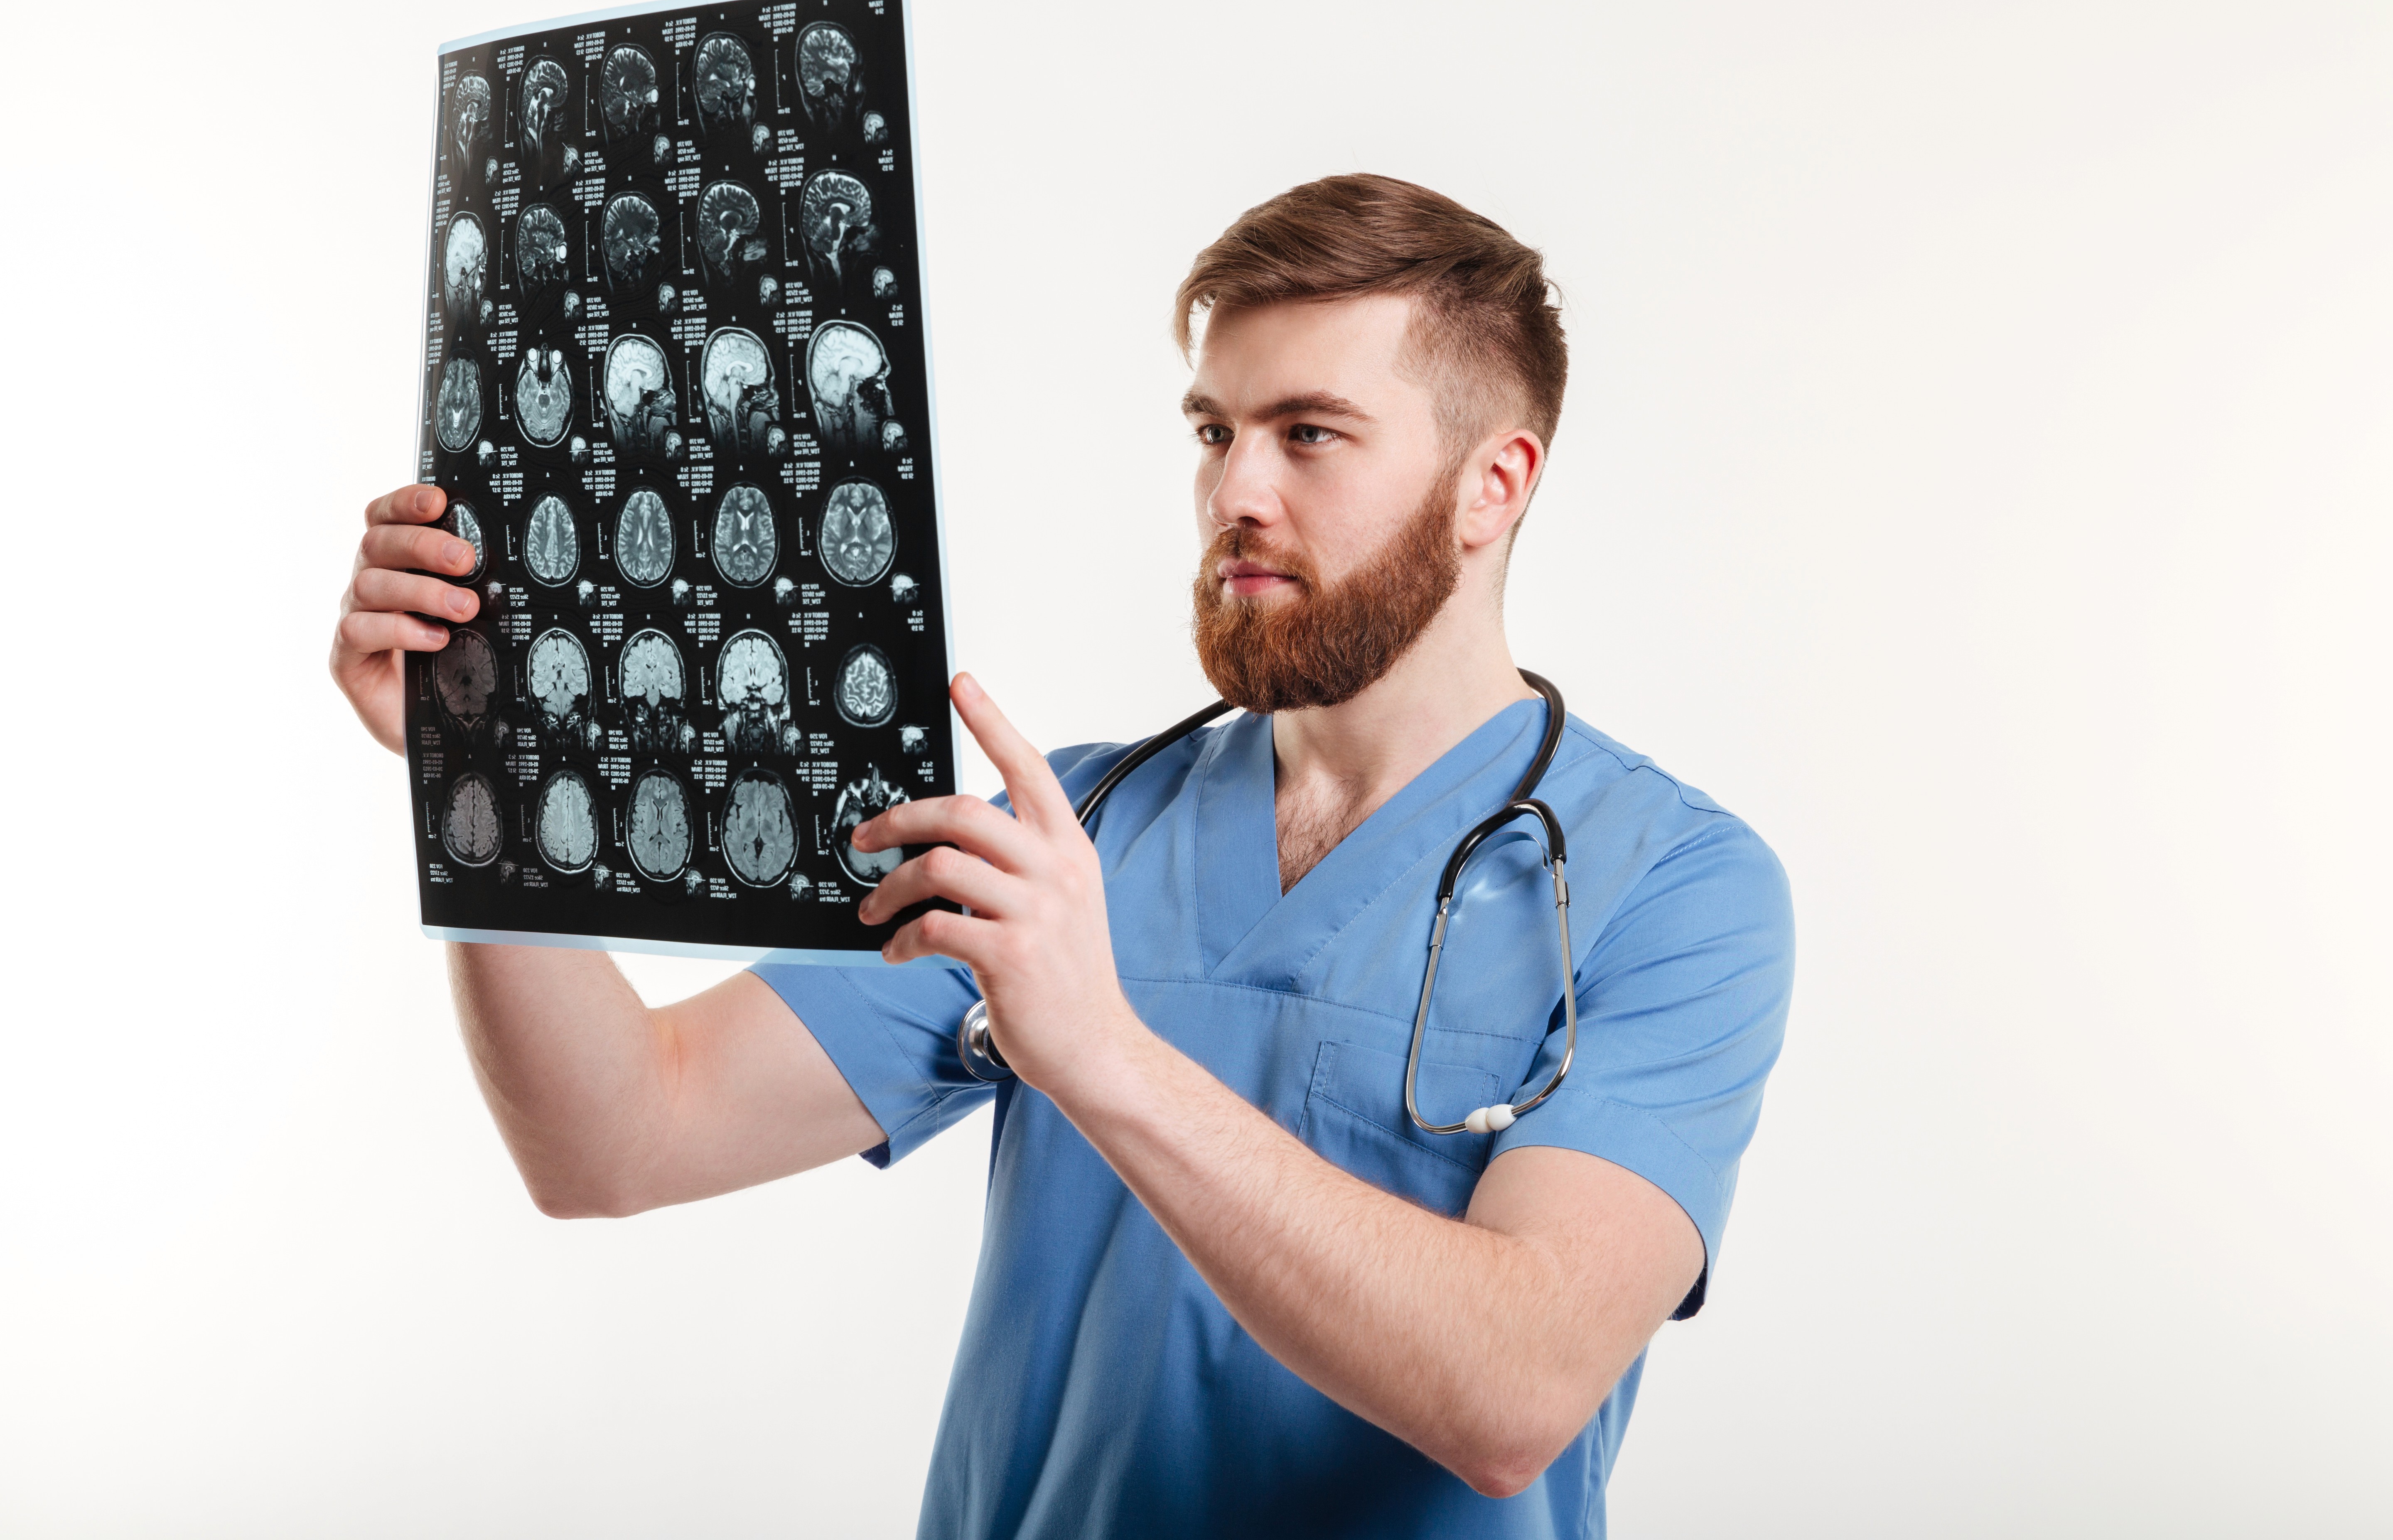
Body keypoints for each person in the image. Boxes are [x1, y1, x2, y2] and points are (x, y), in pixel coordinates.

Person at [329, 174, 1794, 1538]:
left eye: (1310, 434)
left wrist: (1094, 1046)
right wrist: (477, 786)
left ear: (1496, 483)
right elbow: (614, 1139)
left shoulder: (1672, 887)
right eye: (1214, 433)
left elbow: (1515, 1393)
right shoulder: (1078, 827)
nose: (1237, 495)